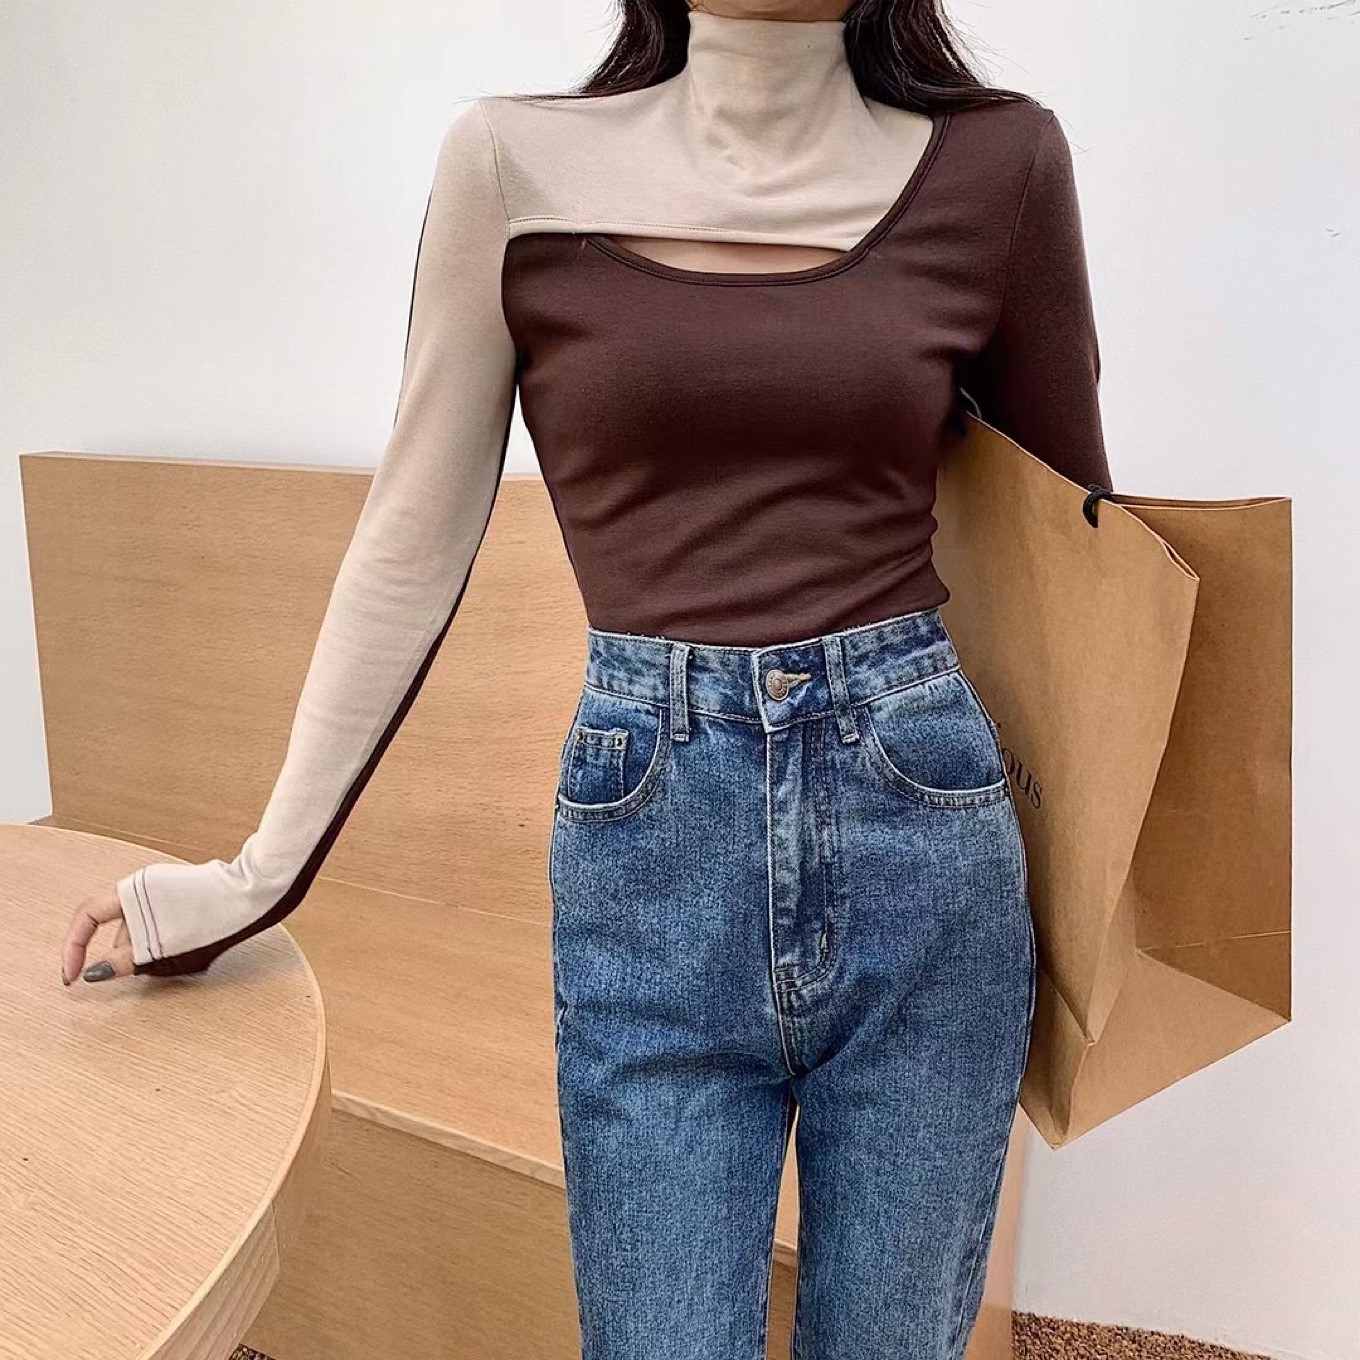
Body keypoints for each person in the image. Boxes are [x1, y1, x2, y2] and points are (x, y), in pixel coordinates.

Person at [61, 1, 1111, 1355]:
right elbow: (412, 537)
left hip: (926, 837)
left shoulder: (999, 169)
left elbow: (1076, 565)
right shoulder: (512, 168)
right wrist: (252, 879)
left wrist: (1103, 923)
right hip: (650, 850)